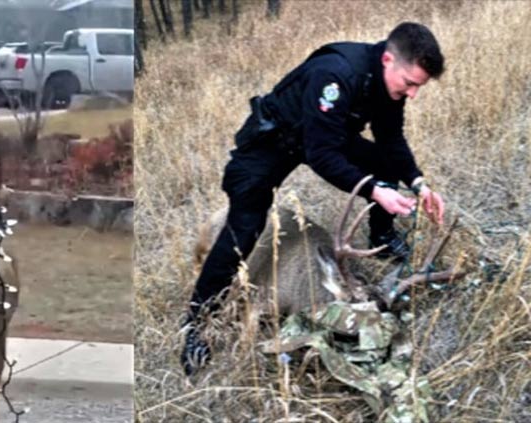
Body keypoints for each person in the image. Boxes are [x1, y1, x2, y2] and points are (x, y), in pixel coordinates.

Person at [181, 22, 446, 375]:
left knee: (384, 163)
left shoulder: (389, 87)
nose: (413, 93)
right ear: (387, 59)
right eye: (410, 84)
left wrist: (418, 184)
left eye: (418, 87)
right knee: (243, 230)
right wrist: (374, 189)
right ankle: (196, 324)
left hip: (322, 133)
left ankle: (382, 237)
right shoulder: (335, 76)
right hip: (272, 143)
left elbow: (391, 139)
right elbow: (322, 156)